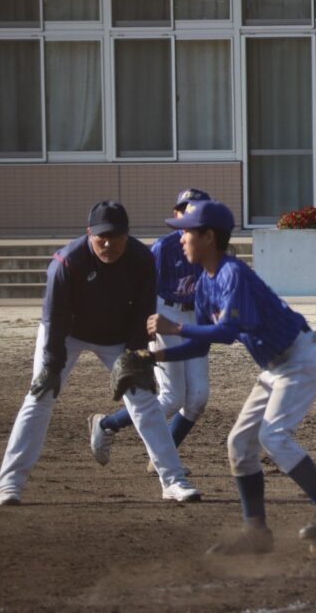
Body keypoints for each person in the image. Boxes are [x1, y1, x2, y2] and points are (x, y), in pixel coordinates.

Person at [147, 199, 316, 553]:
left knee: (273, 436)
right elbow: (208, 344)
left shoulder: (232, 274)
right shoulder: (206, 284)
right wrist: (163, 355)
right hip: (276, 367)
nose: (180, 239)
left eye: (187, 232)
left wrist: (175, 326)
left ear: (208, 237)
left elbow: (226, 331)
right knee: (240, 444)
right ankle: (256, 531)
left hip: (301, 357)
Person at [0, 201, 201, 506]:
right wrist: (52, 365)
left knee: (144, 400)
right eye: (101, 237)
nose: (108, 244)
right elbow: (53, 318)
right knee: (40, 396)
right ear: (89, 234)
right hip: (67, 334)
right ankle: (10, 484)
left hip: (116, 336)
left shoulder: (141, 259)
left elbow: (144, 310)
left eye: (115, 237)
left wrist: (135, 354)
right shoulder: (67, 262)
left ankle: (173, 481)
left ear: (127, 235)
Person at [88, 189, 213, 474]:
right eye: (185, 209)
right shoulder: (163, 247)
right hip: (162, 312)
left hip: (196, 318)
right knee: (172, 397)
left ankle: (161, 455)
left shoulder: (211, 244)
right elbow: (139, 287)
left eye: (197, 208)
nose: (190, 214)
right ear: (176, 213)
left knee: (198, 399)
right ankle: (107, 425)